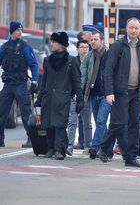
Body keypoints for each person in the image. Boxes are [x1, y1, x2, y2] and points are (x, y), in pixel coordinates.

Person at [99, 17, 140, 167]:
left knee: (134, 124)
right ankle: (103, 148)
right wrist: (109, 93)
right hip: (120, 92)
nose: (134, 30)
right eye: (131, 28)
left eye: (136, 28)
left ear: (139, 30)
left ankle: (131, 157)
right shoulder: (118, 46)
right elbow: (108, 71)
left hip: (136, 92)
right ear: (127, 28)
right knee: (118, 123)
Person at [35, 32, 84, 160]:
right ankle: (50, 148)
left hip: (63, 97)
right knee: (48, 124)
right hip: (49, 96)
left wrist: (80, 99)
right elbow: (44, 81)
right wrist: (39, 99)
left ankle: (59, 150)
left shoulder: (71, 61)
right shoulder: (47, 60)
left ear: (62, 44)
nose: (52, 44)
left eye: (54, 42)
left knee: (60, 124)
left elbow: (77, 81)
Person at [0, 21, 39, 148]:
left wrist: (34, 81)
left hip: (21, 84)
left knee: (26, 113)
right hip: (8, 85)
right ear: (12, 31)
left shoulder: (25, 47)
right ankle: (0, 139)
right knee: (2, 112)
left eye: (21, 30)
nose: (20, 32)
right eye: (17, 30)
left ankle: (31, 139)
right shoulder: (5, 47)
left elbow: (34, 65)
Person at [81, 31, 110, 159]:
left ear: (102, 41)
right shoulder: (88, 57)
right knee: (101, 123)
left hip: (106, 94)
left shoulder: (109, 55)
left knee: (101, 120)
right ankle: (107, 147)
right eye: (91, 40)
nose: (92, 42)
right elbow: (83, 75)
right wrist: (81, 92)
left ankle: (95, 146)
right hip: (93, 93)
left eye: (96, 39)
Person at [66, 39, 89, 155]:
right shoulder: (73, 61)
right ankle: (69, 145)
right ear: (77, 49)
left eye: (86, 47)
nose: (85, 49)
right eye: (82, 47)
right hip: (74, 95)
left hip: (86, 95)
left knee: (86, 122)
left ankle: (87, 145)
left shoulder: (91, 61)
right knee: (72, 121)